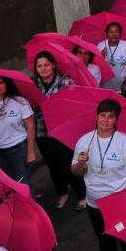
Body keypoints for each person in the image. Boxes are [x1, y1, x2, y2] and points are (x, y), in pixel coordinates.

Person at [71, 99, 126, 251]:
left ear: (116, 120)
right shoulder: (84, 142)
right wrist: (81, 164)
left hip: (120, 204)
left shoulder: (125, 143)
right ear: (96, 117)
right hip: (95, 204)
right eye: (102, 115)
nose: (105, 119)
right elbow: (75, 172)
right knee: (104, 240)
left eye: (110, 116)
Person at [32, 51, 87, 210]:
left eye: (46, 65)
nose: (43, 69)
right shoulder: (34, 86)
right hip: (42, 133)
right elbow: (30, 111)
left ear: (53, 65)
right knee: (53, 166)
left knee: (68, 164)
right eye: (39, 66)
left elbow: (76, 106)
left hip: (63, 133)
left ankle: (82, 195)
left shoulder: (66, 83)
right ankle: (62, 193)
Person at [97, 22, 126, 99]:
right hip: (107, 87)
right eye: (111, 32)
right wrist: (100, 56)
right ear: (107, 33)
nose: (114, 34)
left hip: (125, 87)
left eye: (116, 31)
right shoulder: (100, 46)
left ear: (120, 33)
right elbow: (95, 67)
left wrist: (125, 83)